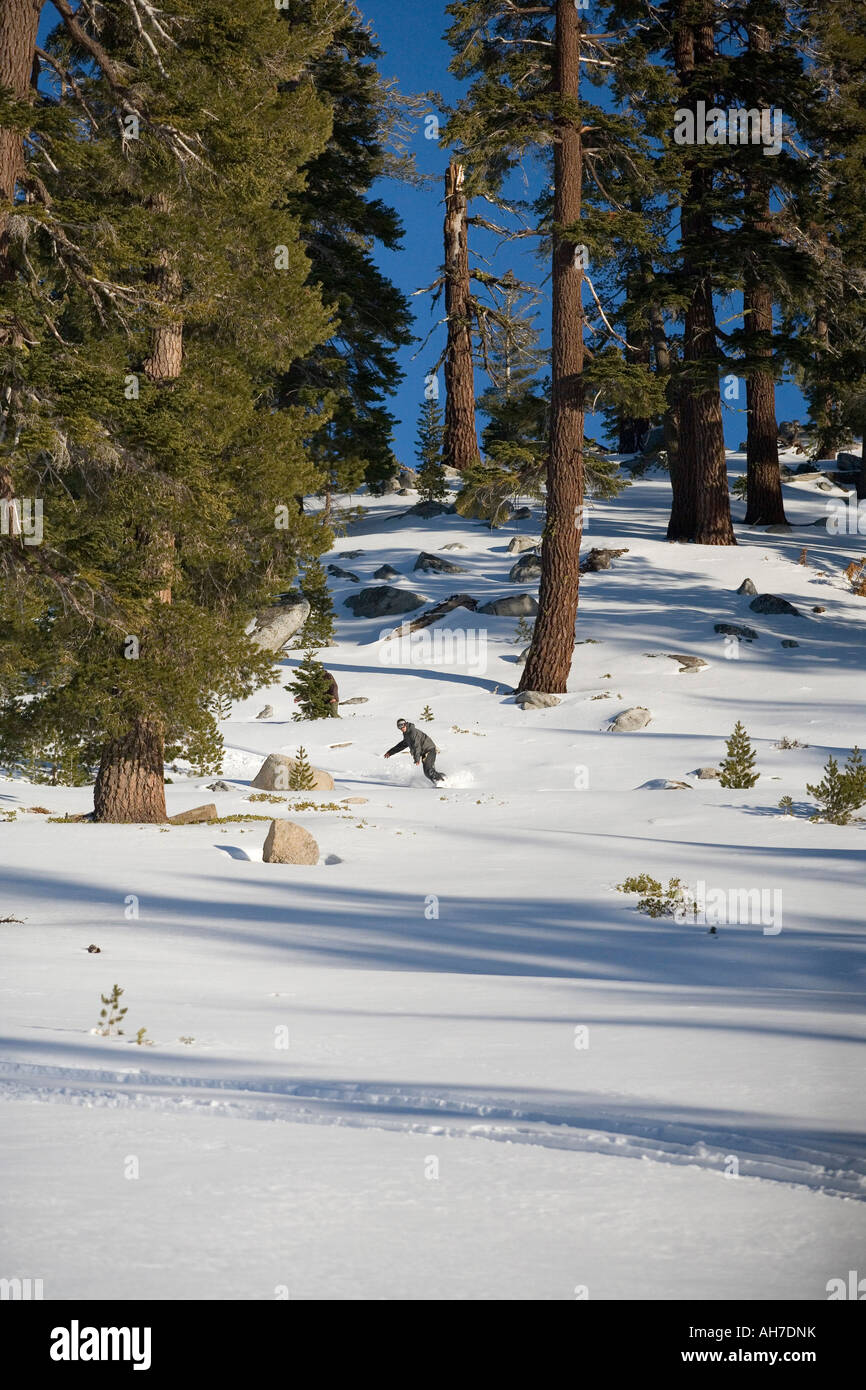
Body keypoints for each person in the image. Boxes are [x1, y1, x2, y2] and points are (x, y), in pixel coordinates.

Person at [384, 717, 445, 784]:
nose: (401, 728)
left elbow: (417, 746)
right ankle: (444, 778)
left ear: (405, 724)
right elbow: (402, 745)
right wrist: (390, 752)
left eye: (402, 725)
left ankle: (442, 782)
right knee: (428, 772)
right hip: (425, 751)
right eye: (399, 726)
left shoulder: (413, 732)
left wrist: (417, 758)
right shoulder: (407, 734)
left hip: (429, 750)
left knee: (428, 771)